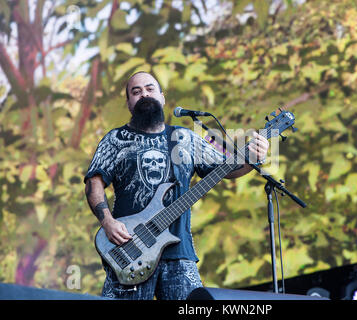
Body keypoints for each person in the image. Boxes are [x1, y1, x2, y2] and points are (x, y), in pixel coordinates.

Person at [83, 71, 269, 300]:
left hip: (180, 255)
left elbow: (228, 169)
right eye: (136, 91)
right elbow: (94, 182)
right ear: (128, 103)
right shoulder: (115, 139)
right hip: (128, 252)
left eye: (150, 89)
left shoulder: (185, 138)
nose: (144, 94)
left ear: (162, 97)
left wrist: (252, 157)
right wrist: (107, 222)